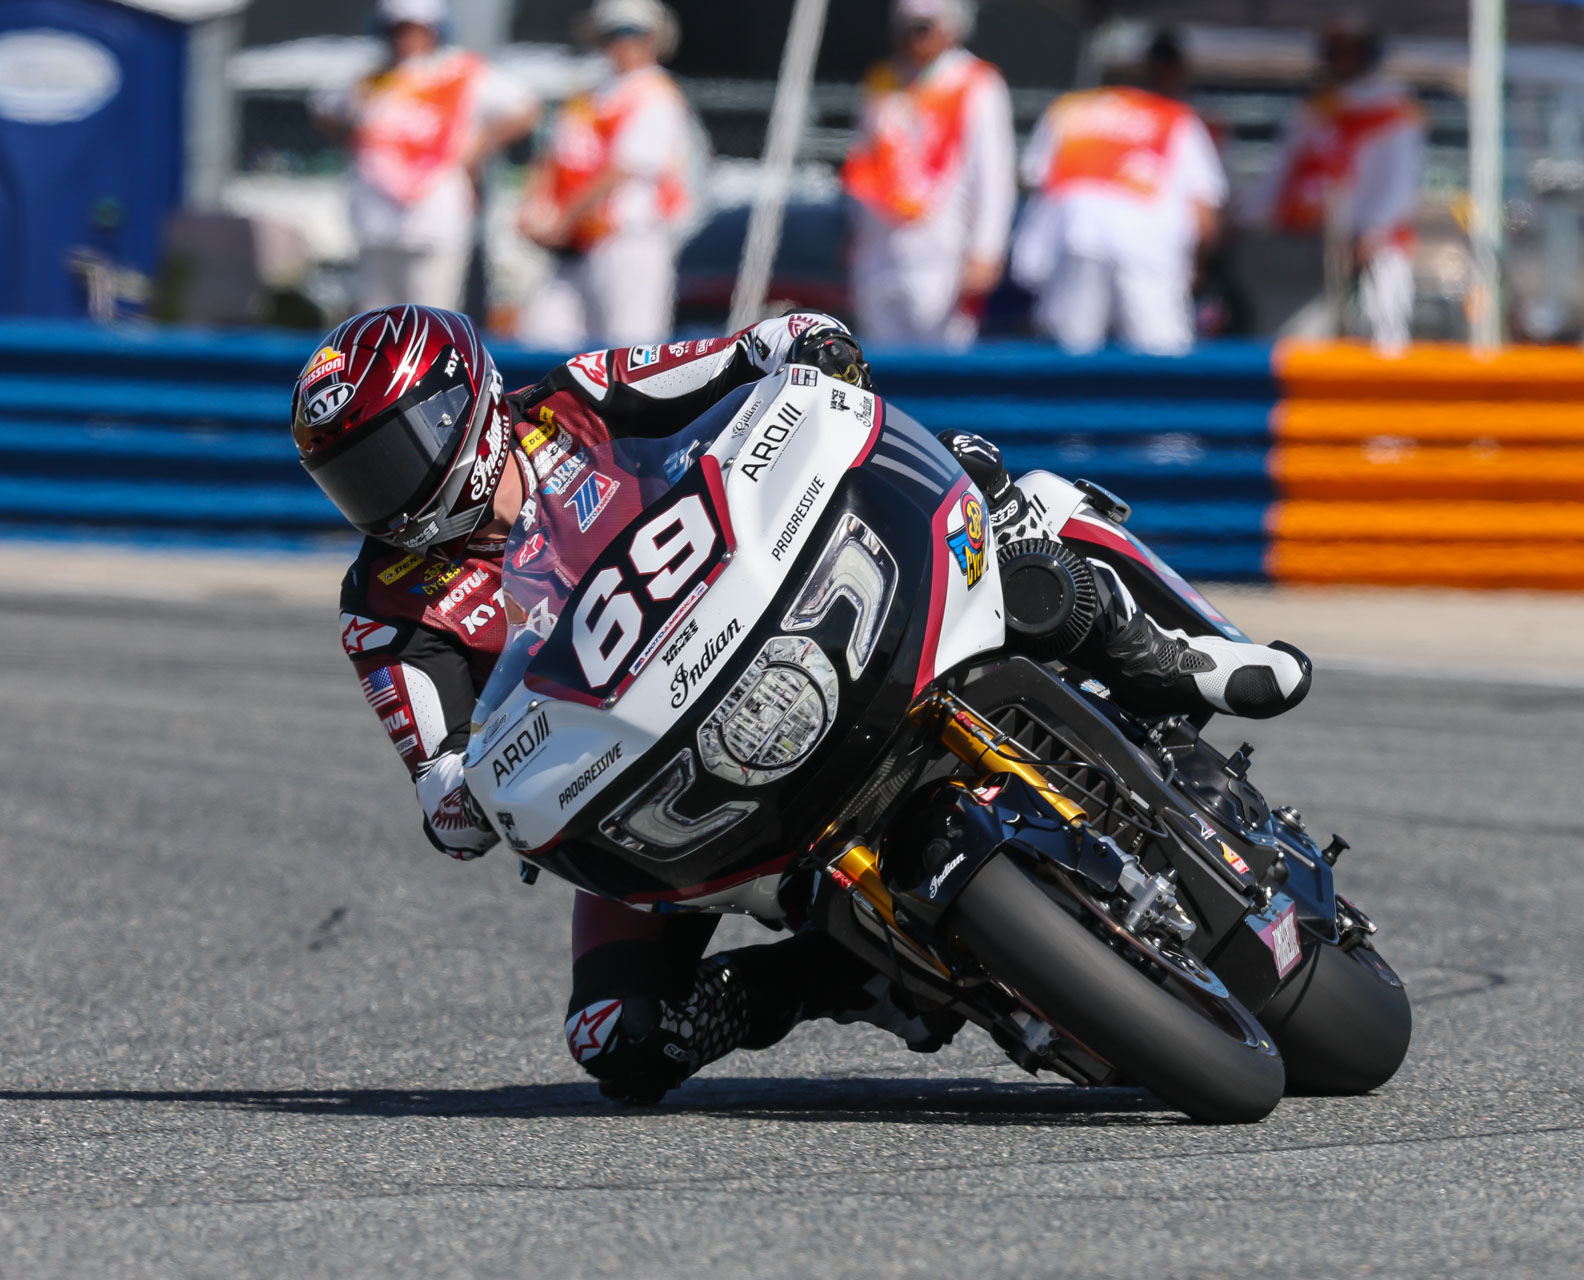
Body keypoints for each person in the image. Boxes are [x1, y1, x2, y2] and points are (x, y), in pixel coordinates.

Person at [291, 305, 1311, 1105]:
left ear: (463, 403)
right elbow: (438, 766)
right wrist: (461, 798)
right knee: (621, 1039)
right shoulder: (385, 606)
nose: (380, 496)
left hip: (795, 608)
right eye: (351, 479)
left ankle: (1184, 649)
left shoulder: (579, 398)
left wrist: (807, 346)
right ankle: (841, 975)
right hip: (656, 763)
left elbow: (745, 356)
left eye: (391, 453)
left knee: (1006, 501)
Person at [310, 0, 539, 313]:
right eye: (399, 28)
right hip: (375, 216)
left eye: (416, 28)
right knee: (375, 317)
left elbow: (526, 109)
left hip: (435, 215)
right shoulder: (371, 77)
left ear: (435, 30)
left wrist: (478, 147)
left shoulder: (460, 71)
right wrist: (355, 141)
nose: (407, 37)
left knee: (432, 316)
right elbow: (322, 109)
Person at [1010, 29, 1226, 356]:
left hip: (1075, 235)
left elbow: (1032, 180)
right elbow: (1204, 212)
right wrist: (1198, 266)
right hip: (1147, 244)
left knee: (1069, 358)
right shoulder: (1176, 118)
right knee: (1162, 359)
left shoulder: (1068, 110)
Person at [517, 0, 700, 350]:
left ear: (656, 38)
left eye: (634, 32)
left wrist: (562, 219)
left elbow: (623, 169)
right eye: (614, 32)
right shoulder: (589, 93)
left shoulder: (656, 94)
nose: (624, 41)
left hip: (630, 238)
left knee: (629, 353)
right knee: (542, 337)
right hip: (576, 243)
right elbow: (552, 157)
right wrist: (532, 208)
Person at [1244, 15, 1424, 354]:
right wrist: (1245, 216)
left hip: (1378, 244)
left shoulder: (1395, 107)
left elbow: (1402, 178)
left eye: (1350, 50)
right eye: (1335, 50)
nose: (1341, 59)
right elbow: (1281, 172)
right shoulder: (1314, 110)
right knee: (1307, 331)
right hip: (1313, 242)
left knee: (1384, 326)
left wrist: (1376, 231)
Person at [842, 0, 1015, 349]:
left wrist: (987, 249)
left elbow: (994, 174)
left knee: (940, 357)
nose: (914, 37)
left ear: (952, 28)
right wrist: (852, 231)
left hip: (943, 246)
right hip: (880, 243)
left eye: (924, 27)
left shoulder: (977, 82)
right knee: (877, 359)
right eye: (907, 27)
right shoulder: (882, 81)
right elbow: (863, 161)